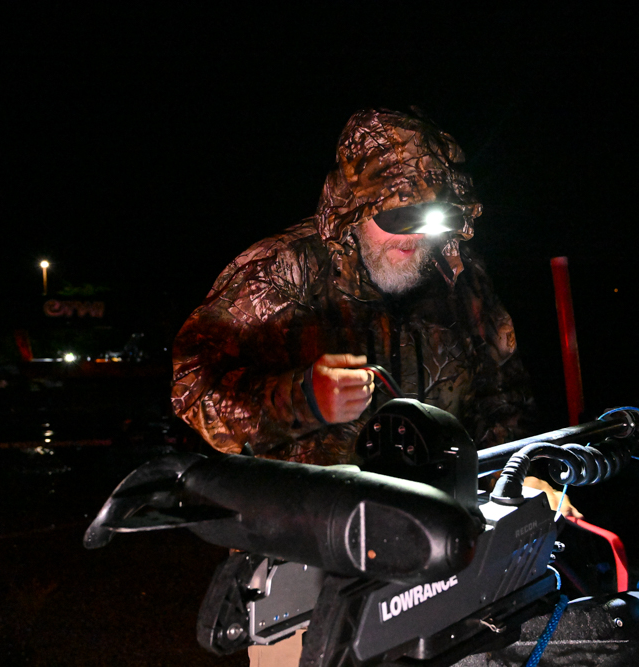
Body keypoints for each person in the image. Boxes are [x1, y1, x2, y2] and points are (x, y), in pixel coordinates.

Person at [171, 107, 579, 666]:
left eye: (428, 217)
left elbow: (503, 395)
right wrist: (301, 398)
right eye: (395, 216)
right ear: (353, 210)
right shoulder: (281, 271)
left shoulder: (459, 280)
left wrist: (525, 478)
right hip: (309, 573)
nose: (413, 239)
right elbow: (193, 388)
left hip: (440, 558)